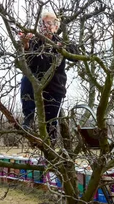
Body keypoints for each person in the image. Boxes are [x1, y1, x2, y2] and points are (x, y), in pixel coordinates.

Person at [20, 11, 78, 139]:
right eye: (43, 23)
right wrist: (26, 45)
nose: (45, 26)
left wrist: (62, 48)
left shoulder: (61, 41)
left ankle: (50, 150)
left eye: (48, 23)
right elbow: (28, 63)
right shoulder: (35, 42)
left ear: (56, 27)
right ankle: (28, 119)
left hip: (54, 88)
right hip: (37, 84)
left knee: (50, 124)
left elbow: (76, 56)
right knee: (25, 79)